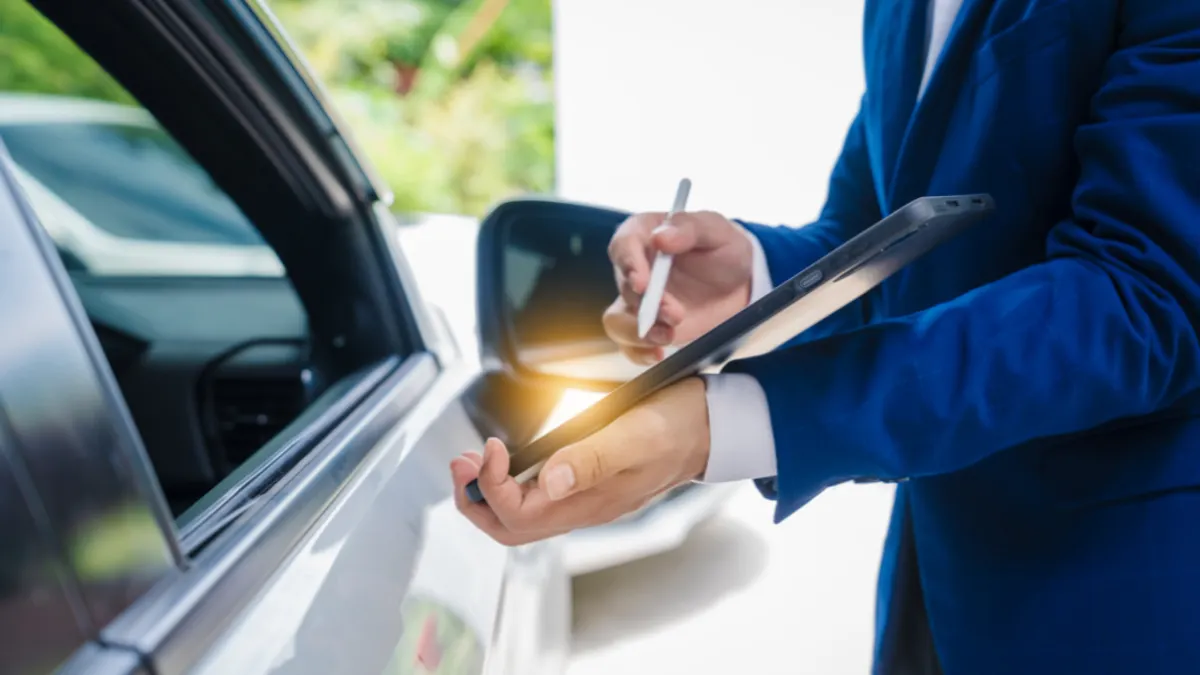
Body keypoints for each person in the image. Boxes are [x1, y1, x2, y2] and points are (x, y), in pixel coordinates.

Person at [451, 0, 1200, 672]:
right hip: (933, 573)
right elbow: (877, 236)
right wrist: (749, 273)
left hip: (1115, 596)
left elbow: (1141, 297)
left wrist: (723, 425)